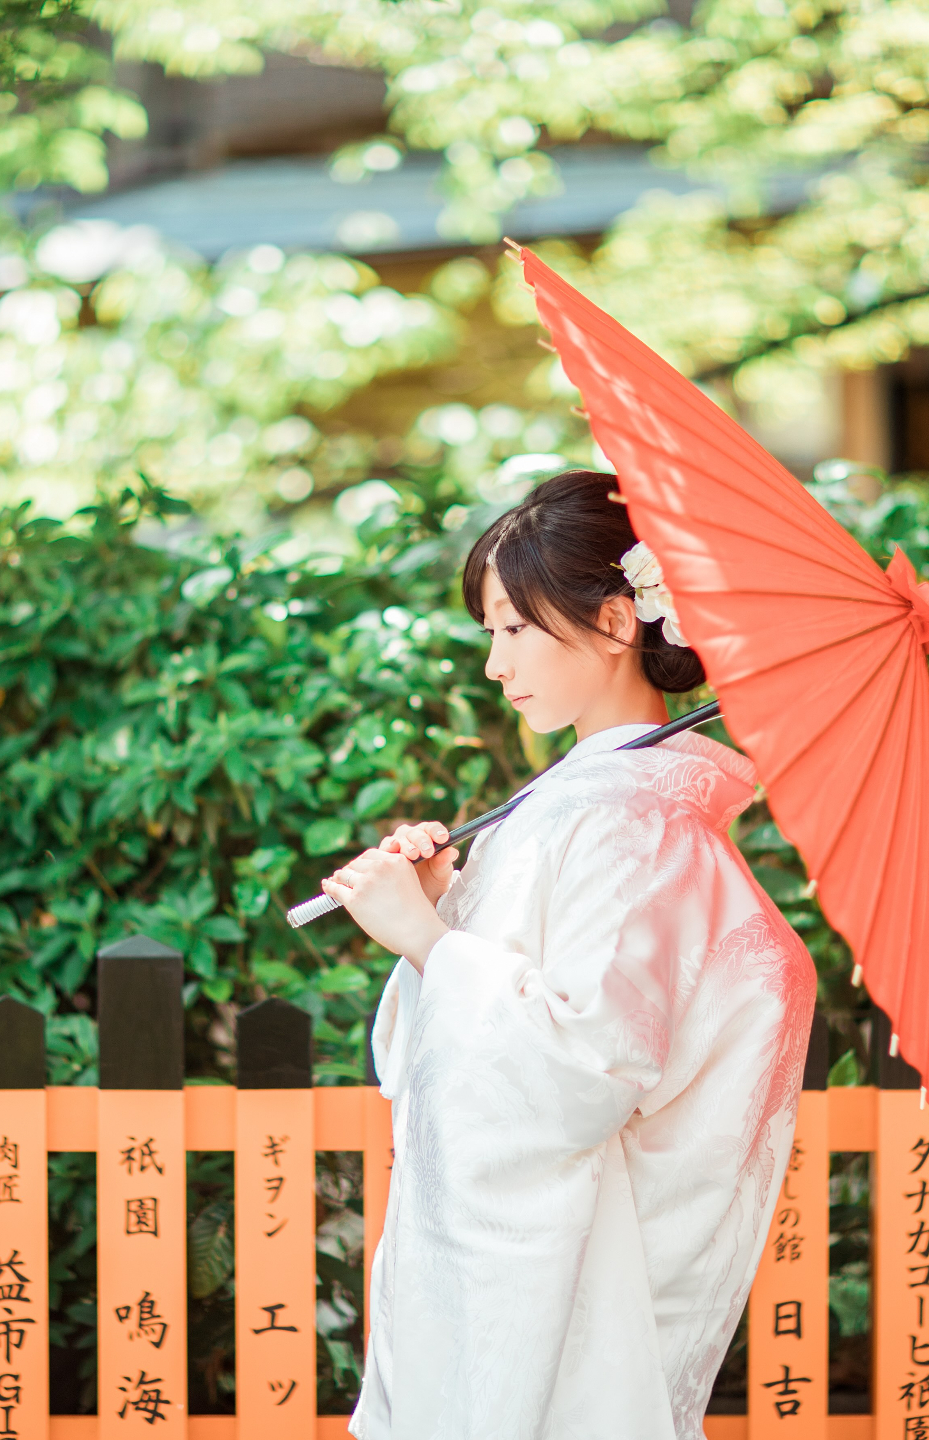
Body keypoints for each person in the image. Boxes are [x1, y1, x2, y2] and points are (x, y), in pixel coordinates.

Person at [323, 469, 818, 1440]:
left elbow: (584, 1068)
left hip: (567, 1287)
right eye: (490, 633)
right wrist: (437, 923)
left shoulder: (632, 822)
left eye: (514, 627)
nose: (495, 661)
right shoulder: (593, 809)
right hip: (513, 1270)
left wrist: (426, 938)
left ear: (617, 619)